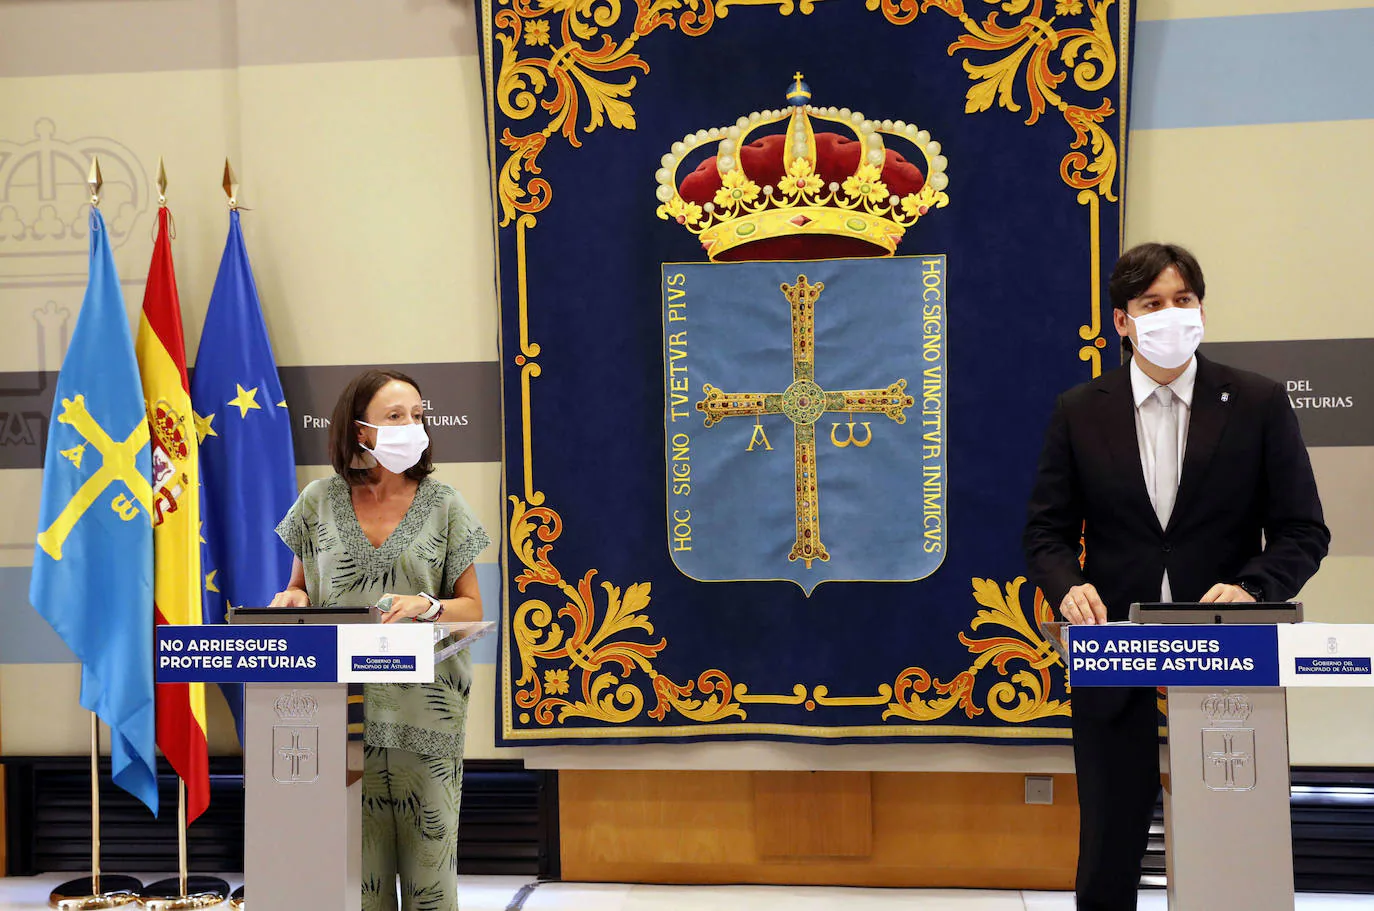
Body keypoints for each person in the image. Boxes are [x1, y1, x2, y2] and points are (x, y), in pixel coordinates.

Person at [1023, 243, 1329, 911]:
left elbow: (1305, 530)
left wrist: (1252, 588)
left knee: (1233, 828)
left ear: (1202, 310)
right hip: (1114, 647)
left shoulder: (1258, 402)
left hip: (1226, 647)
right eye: (1152, 304)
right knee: (1110, 833)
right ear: (1122, 322)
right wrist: (1066, 583)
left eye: (1183, 301)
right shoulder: (1080, 409)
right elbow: (1045, 530)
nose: (1171, 315)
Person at [270, 368, 490, 911]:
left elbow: (472, 611)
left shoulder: (445, 504)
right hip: (340, 715)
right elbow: (297, 589)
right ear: (361, 430)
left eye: (417, 415)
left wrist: (430, 604)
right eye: (395, 416)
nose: (411, 426)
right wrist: (293, 600)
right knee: (355, 876)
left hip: (426, 717)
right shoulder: (317, 502)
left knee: (429, 872)